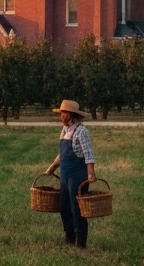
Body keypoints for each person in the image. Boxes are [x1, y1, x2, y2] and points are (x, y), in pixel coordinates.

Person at [43, 99, 96, 248]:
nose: (61, 116)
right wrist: (52, 167)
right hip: (65, 176)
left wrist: (91, 173)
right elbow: (62, 154)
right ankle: (69, 236)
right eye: (61, 113)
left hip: (77, 176)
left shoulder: (82, 131)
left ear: (72, 115)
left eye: (64, 113)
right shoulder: (65, 130)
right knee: (64, 206)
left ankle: (80, 241)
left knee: (77, 208)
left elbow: (88, 154)